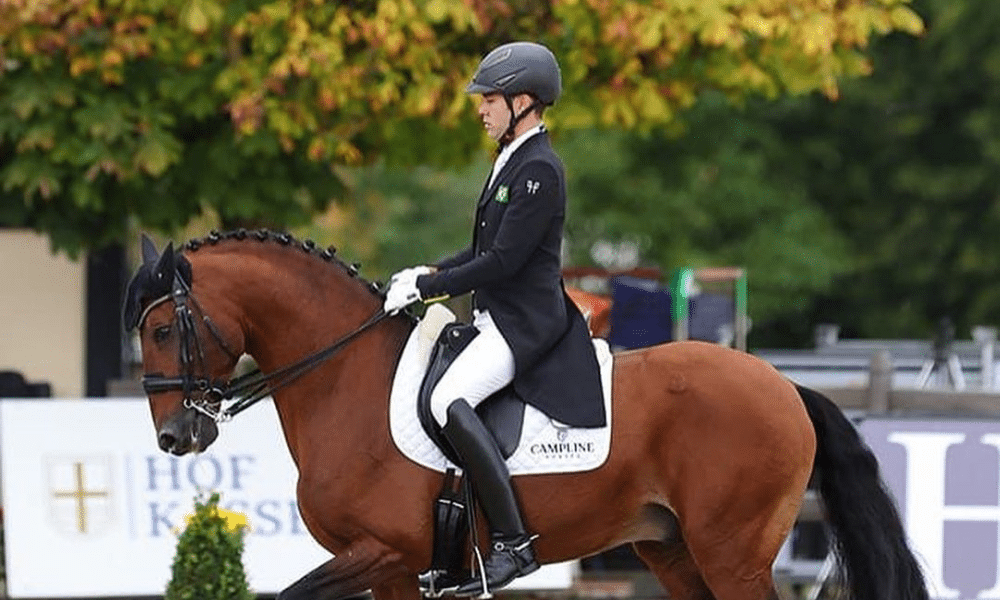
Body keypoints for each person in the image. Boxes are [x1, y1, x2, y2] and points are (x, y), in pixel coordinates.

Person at [383, 41, 606, 596]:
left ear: (523, 101)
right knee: (436, 397)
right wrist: (426, 270)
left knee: (445, 401)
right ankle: (455, 542)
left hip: (524, 323)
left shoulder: (540, 169)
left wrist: (430, 288)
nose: (480, 109)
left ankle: (512, 543)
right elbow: (482, 246)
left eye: (489, 100)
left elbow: (503, 262)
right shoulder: (511, 161)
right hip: (495, 316)